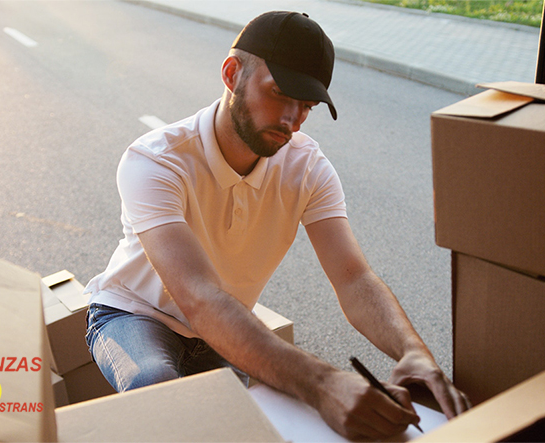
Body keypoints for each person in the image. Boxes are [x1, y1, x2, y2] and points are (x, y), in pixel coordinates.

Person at [83, 10, 469, 440]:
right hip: (135, 314)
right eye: (280, 94)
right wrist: (323, 383)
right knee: (160, 392)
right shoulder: (156, 160)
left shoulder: (307, 167)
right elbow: (200, 297)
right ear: (232, 74)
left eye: (306, 105)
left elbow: (354, 278)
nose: (293, 118)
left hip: (224, 330)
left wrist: (413, 352)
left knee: (249, 424)